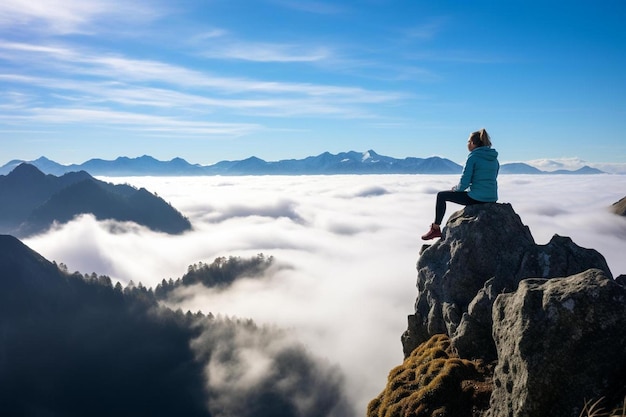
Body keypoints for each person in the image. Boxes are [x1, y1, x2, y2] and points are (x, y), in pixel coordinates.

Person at [421, 128, 499, 240]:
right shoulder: (494, 159)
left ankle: (435, 228)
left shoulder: (473, 157)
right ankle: (435, 229)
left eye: (468, 141)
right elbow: (492, 178)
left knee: (441, 196)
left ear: (473, 143)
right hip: (492, 197)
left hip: (477, 198)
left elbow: (465, 182)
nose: (467, 144)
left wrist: (456, 189)